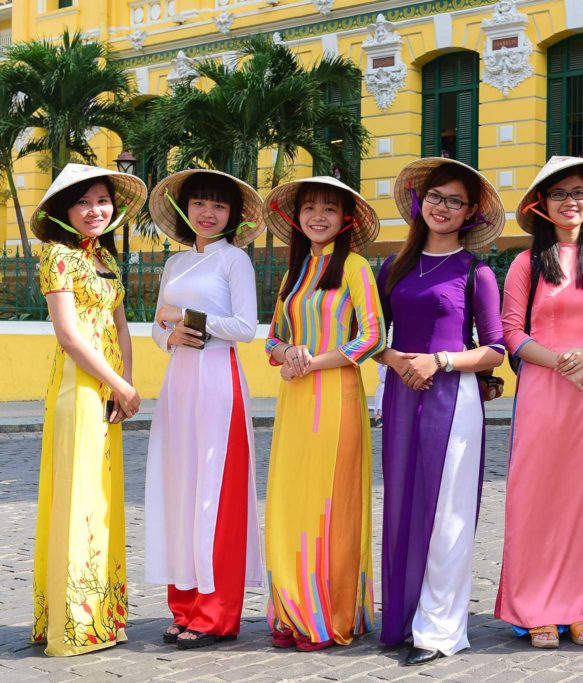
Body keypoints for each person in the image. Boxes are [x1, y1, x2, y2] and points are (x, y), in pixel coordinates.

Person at [495, 156, 583, 649]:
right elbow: (511, 332)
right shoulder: (526, 264)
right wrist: (559, 362)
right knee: (537, 500)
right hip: (542, 391)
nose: (570, 201)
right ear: (542, 205)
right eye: (559, 194)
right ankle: (537, 608)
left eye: (578, 193)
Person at [376, 158, 506, 666]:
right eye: (436, 197)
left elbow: (496, 350)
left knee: (447, 511)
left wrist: (441, 361)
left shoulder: (476, 273)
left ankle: (438, 627)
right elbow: (369, 336)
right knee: (403, 504)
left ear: (470, 212)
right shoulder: (392, 268)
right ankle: (403, 620)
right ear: (419, 202)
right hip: (401, 393)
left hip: (454, 400)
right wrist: (393, 358)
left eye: (455, 200)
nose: (443, 207)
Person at [261, 176, 385, 651]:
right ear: (298, 218)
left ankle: (328, 615)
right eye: (311, 208)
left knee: (331, 503)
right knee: (293, 502)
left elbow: (372, 336)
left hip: (336, 396)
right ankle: (293, 609)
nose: (318, 217)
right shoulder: (294, 271)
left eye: (329, 210)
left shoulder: (354, 266)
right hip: (295, 401)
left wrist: (315, 360)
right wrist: (290, 350)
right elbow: (271, 338)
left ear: (345, 220)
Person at [144, 169, 265, 649]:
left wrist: (189, 319)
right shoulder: (173, 264)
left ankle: (216, 614)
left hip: (218, 379)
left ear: (232, 215)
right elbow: (157, 325)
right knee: (181, 491)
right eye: (199, 204)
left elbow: (245, 327)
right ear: (184, 209)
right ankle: (185, 605)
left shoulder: (235, 261)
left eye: (218, 206)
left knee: (216, 492)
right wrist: (169, 334)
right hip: (180, 381)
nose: (208, 213)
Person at [31, 163, 146, 656]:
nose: (94, 210)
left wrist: (127, 385)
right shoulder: (57, 256)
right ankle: (73, 623)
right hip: (79, 390)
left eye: (101, 201)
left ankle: (102, 615)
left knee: (101, 501)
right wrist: (118, 384)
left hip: (109, 391)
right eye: (82, 203)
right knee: (78, 499)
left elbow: (121, 326)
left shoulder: (104, 257)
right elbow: (69, 336)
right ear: (63, 210)